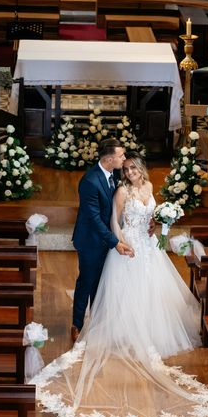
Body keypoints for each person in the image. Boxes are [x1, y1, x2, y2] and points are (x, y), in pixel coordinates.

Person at [31, 152, 208, 417]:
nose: (130, 171)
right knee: (123, 289)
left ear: (141, 168)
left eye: (134, 167)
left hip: (149, 245)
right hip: (129, 245)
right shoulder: (122, 191)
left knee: (151, 287)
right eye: (127, 167)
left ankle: (148, 326)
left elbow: (151, 215)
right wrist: (121, 244)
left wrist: (157, 224)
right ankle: (113, 327)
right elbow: (114, 221)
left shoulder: (149, 187)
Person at [71, 138, 134, 343]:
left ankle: (97, 323)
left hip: (105, 239)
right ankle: (77, 324)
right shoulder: (90, 182)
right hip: (90, 240)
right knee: (86, 282)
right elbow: (94, 219)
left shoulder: (113, 175)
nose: (124, 158)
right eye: (121, 155)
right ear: (109, 159)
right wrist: (115, 242)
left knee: (101, 283)